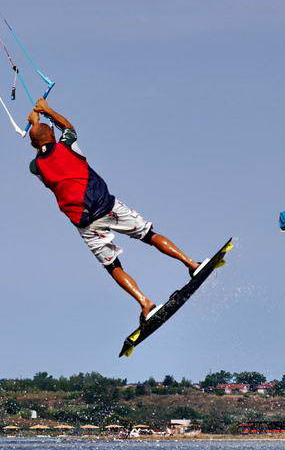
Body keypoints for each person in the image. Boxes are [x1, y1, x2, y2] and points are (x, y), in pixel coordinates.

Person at [26, 99, 209, 322]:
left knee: (112, 266)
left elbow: (41, 149)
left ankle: (145, 304)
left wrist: (34, 126)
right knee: (148, 235)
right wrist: (47, 111)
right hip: (107, 206)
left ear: (33, 145)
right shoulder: (67, 145)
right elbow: (69, 127)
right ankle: (192, 264)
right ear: (53, 135)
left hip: (85, 222)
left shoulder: (35, 167)